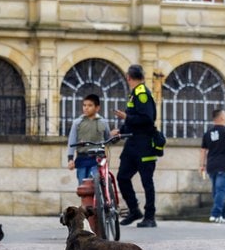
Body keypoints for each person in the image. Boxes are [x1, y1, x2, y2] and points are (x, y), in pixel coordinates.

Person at [114, 64, 160, 228]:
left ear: (128, 77)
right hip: (132, 143)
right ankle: (134, 210)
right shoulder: (134, 94)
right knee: (122, 177)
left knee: (147, 181)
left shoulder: (142, 94)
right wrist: (120, 132)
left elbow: (147, 119)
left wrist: (126, 116)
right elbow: (132, 120)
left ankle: (150, 217)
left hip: (145, 144)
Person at [67, 93, 111, 184]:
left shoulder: (103, 122)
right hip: (82, 158)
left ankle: (101, 197)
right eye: (84, 105)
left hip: (98, 159)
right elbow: (72, 141)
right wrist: (70, 159)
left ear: (97, 108)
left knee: (96, 183)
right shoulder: (77, 123)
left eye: (90, 105)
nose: (86, 108)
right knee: (83, 187)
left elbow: (108, 139)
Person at [201, 108, 225, 224]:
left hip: (211, 165)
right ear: (221, 118)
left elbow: (203, 150)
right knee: (221, 191)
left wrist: (202, 165)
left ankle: (224, 214)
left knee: (216, 191)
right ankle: (215, 214)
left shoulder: (208, 133)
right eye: (224, 115)